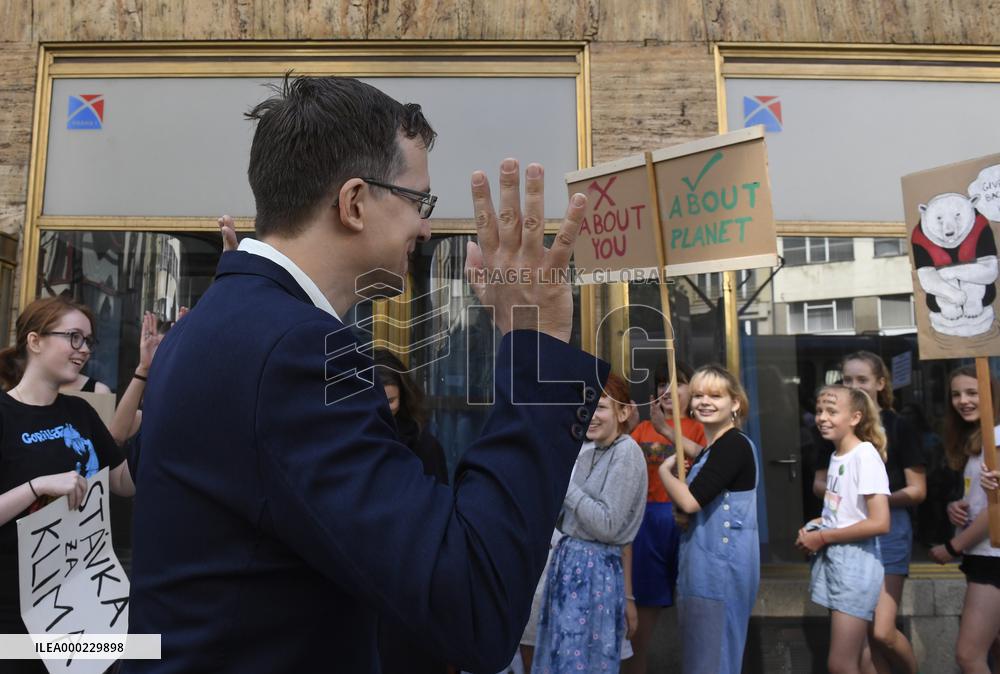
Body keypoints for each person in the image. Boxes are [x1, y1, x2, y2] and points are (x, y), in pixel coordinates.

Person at [124, 75, 608, 673]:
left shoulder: (212, 326)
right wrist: (535, 344)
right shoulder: (297, 350)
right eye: (419, 201)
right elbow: (474, 601)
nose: (426, 228)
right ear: (354, 202)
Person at [0, 296, 135, 673]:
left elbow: (123, 482)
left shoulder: (79, 411)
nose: (84, 351)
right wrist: (38, 485)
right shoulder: (5, 415)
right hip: (16, 609)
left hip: (84, 596)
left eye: (88, 341)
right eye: (74, 338)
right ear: (35, 341)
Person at [812, 351, 925, 674]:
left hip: (886, 530)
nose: (854, 385)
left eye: (861, 379)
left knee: (882, 631)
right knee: (860, 646)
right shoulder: (834, 427)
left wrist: (870, 500)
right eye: (847, 379)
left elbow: (918, 490)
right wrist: (843, 504)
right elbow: (821, 484)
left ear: (880, 383)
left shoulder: (897, 427)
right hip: (847, 532)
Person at [531, 373, 646, 674]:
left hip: (594, 573)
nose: (591, 416)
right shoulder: (589, 452)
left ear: (623, 412)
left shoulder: (628, 452)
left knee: (581, 663)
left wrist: (565, 486)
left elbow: (606, 525)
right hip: (569, 567)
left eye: (601, 407)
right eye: (586, 407)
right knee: (561, 659)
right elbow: (564, 517)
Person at [658, 364, 760, 674]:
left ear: (735, 403)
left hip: (719, 572)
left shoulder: (734, 445)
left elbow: (689, 500)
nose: (704, 401)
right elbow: (705, 458)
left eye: (715, 395)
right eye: (699, 394)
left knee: (713, 660)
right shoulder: (719, 446)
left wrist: (665, 471)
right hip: (706, 568)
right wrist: (665, 430)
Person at [797, 385, 890, 674]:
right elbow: (846, 513)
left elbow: (880, 522)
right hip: (836, 559)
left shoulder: (864, 455)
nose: (822, 417)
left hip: (855, 564)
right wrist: (817, 525)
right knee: (860, 656)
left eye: (832, 411)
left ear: (855, 417)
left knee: (839, 663)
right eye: (820, 410)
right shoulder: (837, 455)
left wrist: (823, 536)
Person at [623, 360, 705, 674]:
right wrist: (626, 428)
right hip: (646, 524)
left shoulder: (701, 427)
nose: (667, 390)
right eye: (661, 384)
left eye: (676, 383)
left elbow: (711, 460)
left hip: (687, 523)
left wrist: (667, 430)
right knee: (638, 634)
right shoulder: (642, 428)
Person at [372, 348, 449, 674]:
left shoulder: (424, 446)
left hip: (410, 586)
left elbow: (440, 519)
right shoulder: (345, 443)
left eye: (391, 401)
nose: (385, 411)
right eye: (377, 401)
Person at [928, 366, 1000, 674]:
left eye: (972, 392)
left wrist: (953, 546)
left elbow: (997, 510)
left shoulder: (995, 438)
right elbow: (985, 500)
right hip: (983, 557)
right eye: (956, 394)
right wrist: (958, 506)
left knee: (969, 656)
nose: (963, 401)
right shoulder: (979, 439)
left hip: (992, 559)